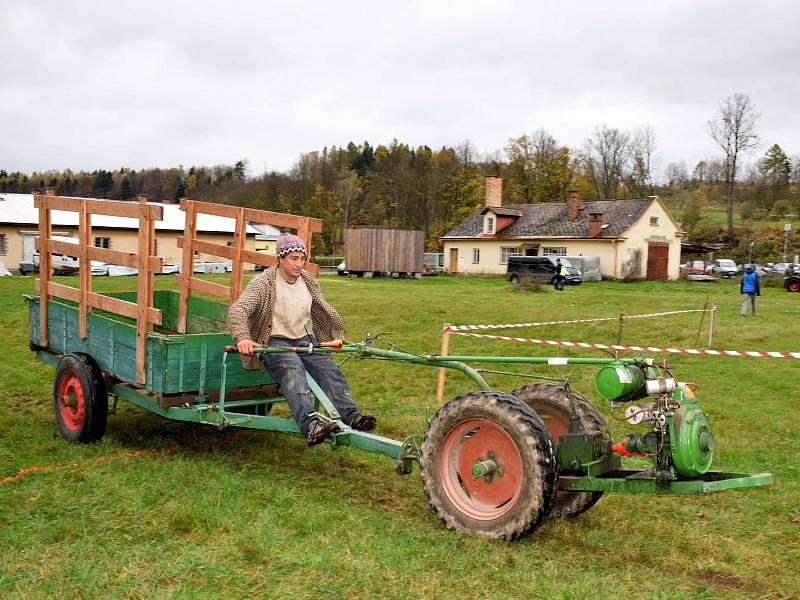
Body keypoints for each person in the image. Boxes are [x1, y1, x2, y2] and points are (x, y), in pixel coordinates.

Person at [228, 234, 376, 446]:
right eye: (294, 259)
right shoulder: (264, 283)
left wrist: (332, 335)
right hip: (275, 340)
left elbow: (320, 309)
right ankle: (311, 425)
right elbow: (239, 309)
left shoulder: (308, 280)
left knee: (328, 370)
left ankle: (352, 416)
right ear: (280, 258)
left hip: (305, 338)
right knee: (292, 369)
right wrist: (243, 338)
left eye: (302, 258)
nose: (299, 264)